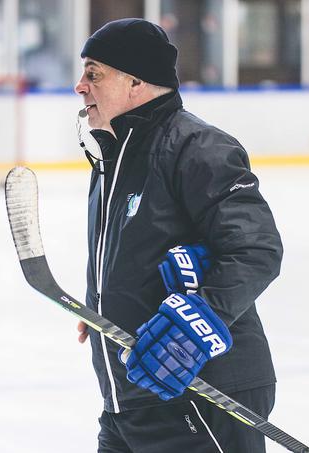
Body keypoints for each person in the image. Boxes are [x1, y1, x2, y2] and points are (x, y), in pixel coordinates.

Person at [74, 19, 282, 452]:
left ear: (135, 81)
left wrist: (194, 324)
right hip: (130, 397)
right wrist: (104, 302)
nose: (80, 86)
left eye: (94, 73)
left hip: (201, 395)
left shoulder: (198, 147)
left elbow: (255, 249)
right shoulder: (113, 157)